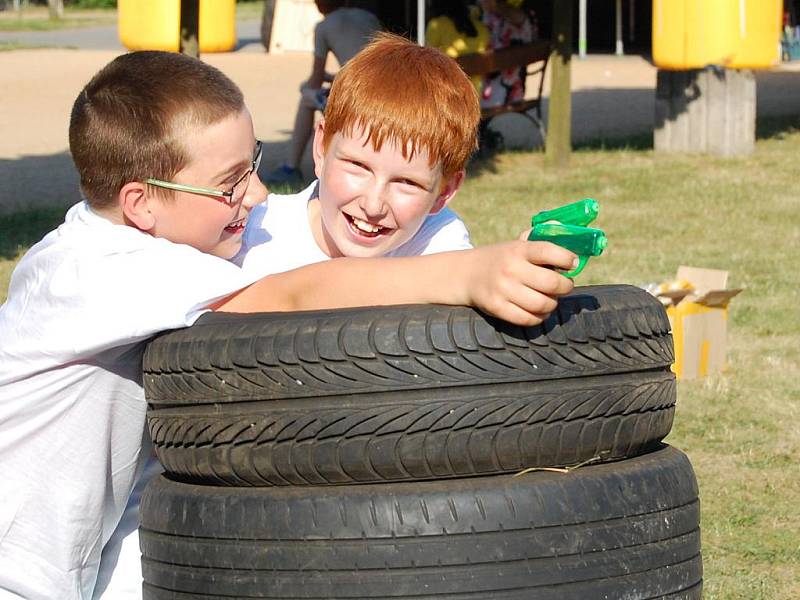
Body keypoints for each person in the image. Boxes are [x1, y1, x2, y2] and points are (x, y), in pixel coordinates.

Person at [0, 50, 577, 599]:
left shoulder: (99, 247)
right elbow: (294, 292)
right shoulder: (112, 271)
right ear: (141, 203)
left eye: (252, 165)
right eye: (231, 182)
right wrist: (468, 276)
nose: (256, 193)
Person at [238, 32, 477, 274]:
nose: (373, 206)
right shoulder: (254, 237)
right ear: (322, 148)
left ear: (444, 191)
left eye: (407, 182)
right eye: (358, 166)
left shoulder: (438, 244)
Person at [263, 0, 381, 187]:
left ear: (318, 5)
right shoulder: (369, 18)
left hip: (356, 98)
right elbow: (364, 68)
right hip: (379, 91)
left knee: (307, 98)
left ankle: (291, 166)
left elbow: (315, 79)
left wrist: (305, 88)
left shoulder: (323, 27)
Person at [478, 0, 538, 108]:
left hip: (497, 93)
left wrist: (495, 5)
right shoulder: (490, 16)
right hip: (509, 90)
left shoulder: (517, 17)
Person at [425, 0, 491, 95]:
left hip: (446, 96)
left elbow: (427, 62)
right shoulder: (482, 28)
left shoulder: (436, 25)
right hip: (475, 97)